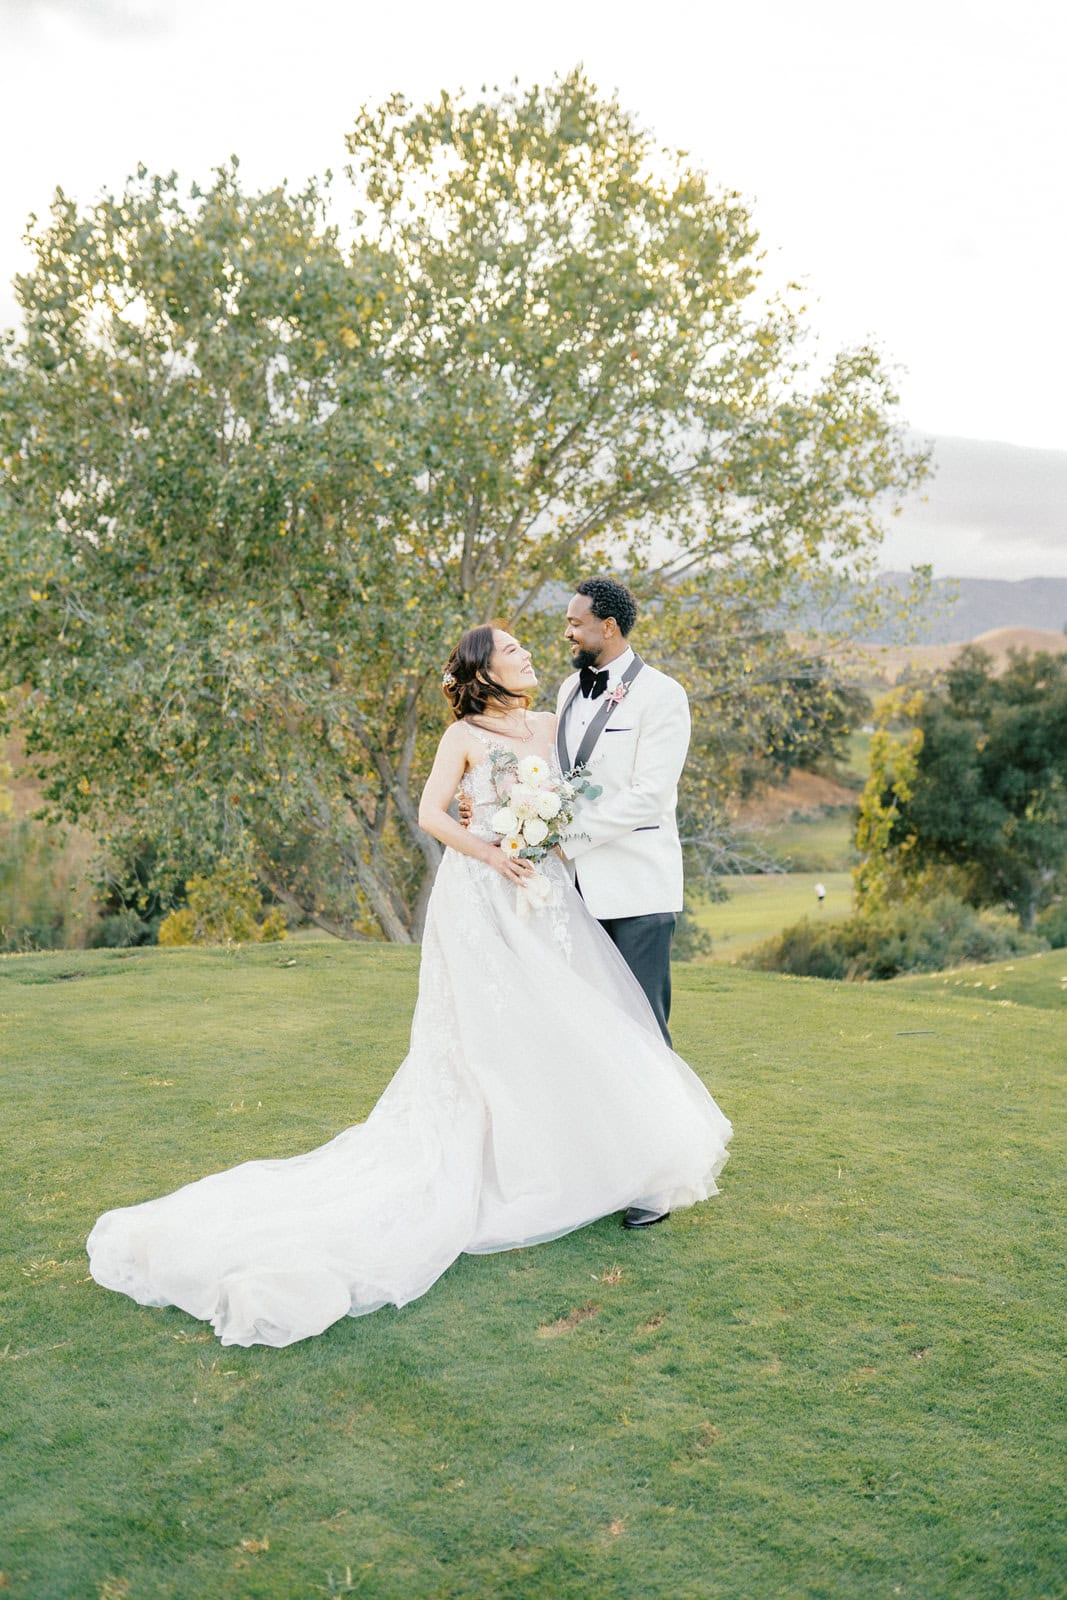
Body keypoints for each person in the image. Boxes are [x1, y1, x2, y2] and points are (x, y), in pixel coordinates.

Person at [87, 625, 731, 1348]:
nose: (527, 653)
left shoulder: (552, 722)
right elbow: (431, 813)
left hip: (546, 889)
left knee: (560, 1018)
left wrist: (542, 840)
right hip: (483, 891)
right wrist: (490, 848)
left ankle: (570, 1146)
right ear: (484, 671)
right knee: (490, 1030)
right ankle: (497, 1157)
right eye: (512, 649)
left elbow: (581, 792)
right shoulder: (461, 734)